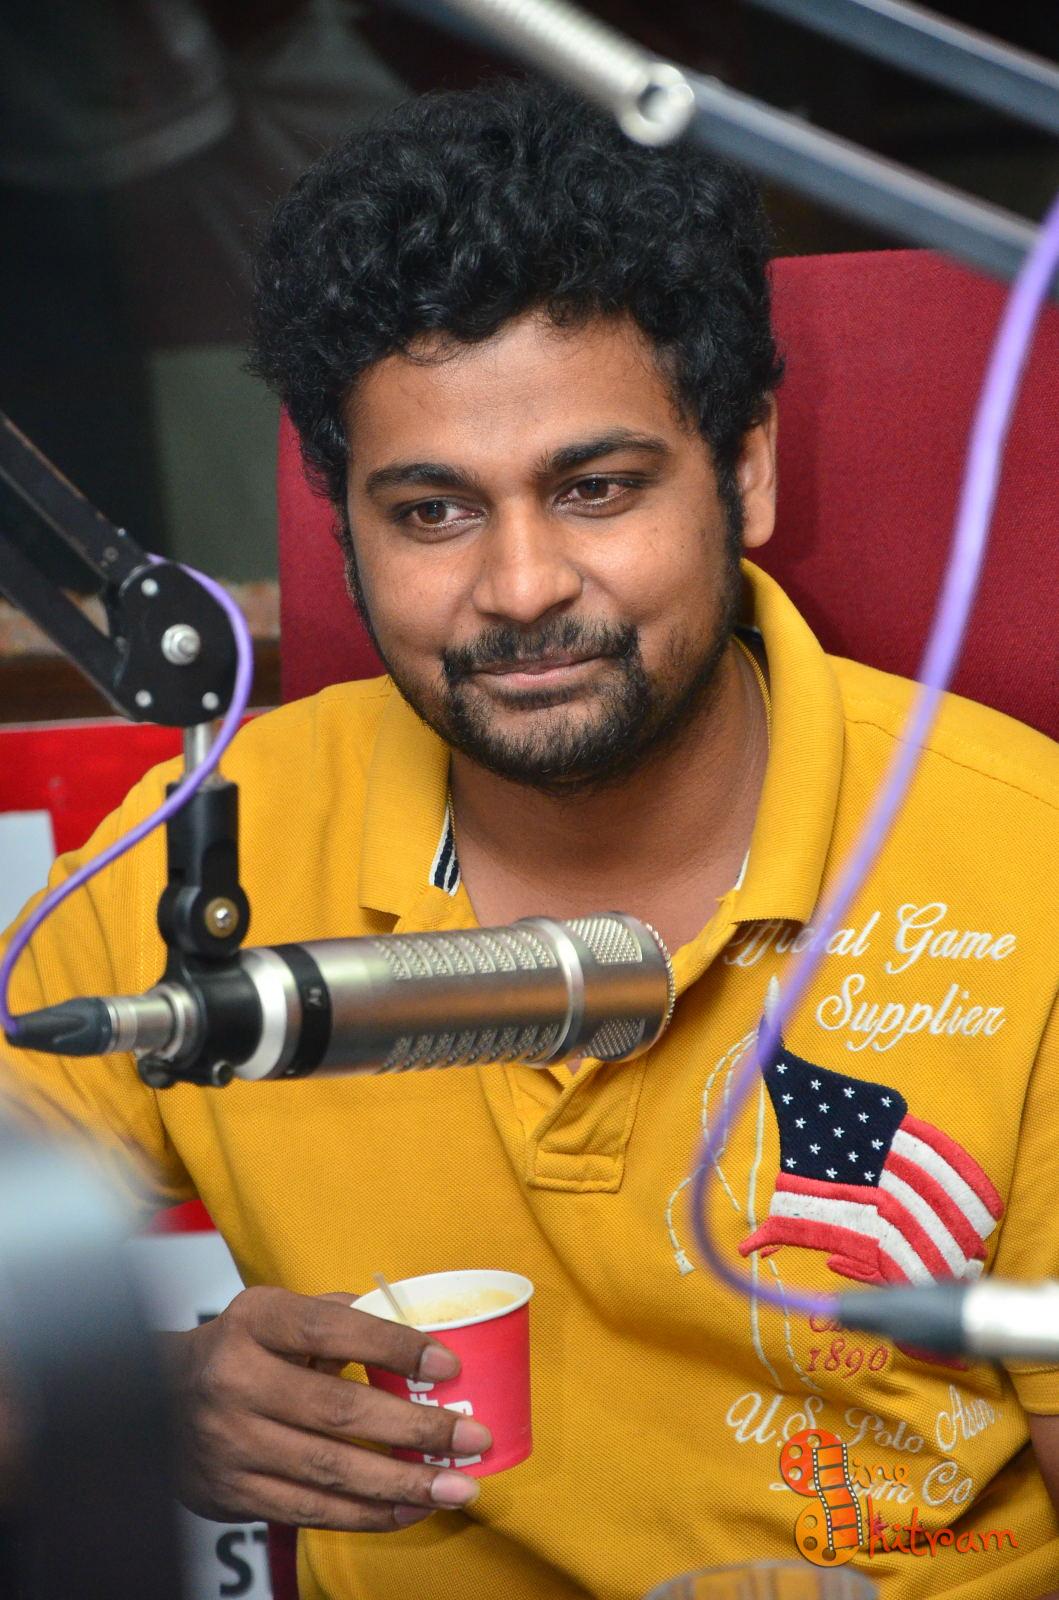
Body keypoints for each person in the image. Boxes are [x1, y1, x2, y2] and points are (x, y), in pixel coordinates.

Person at [3, 77, 1059, 1600]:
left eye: (596, 489)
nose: (518, 587)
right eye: (432, 512)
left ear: (745, 468)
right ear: (344, 521)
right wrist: (148, 1400)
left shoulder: (1022, 870)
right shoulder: (220, 848)